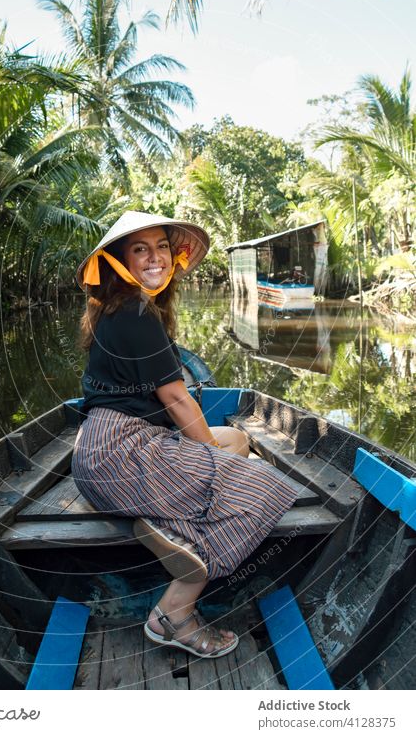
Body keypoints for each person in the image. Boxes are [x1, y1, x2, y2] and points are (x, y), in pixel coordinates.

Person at [72, 210, 299, 659]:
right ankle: (175, 609)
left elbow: (172, 409)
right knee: (271, 489)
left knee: (236, 442)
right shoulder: (136, 312)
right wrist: (223, 468)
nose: (154, 257)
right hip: (121, 453)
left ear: (173, 256)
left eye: (161, 247)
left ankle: (163, 524)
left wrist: (221, 456)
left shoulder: (119, 308)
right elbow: (177, 401)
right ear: (120, 261)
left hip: (100, 450)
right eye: (140, 249)